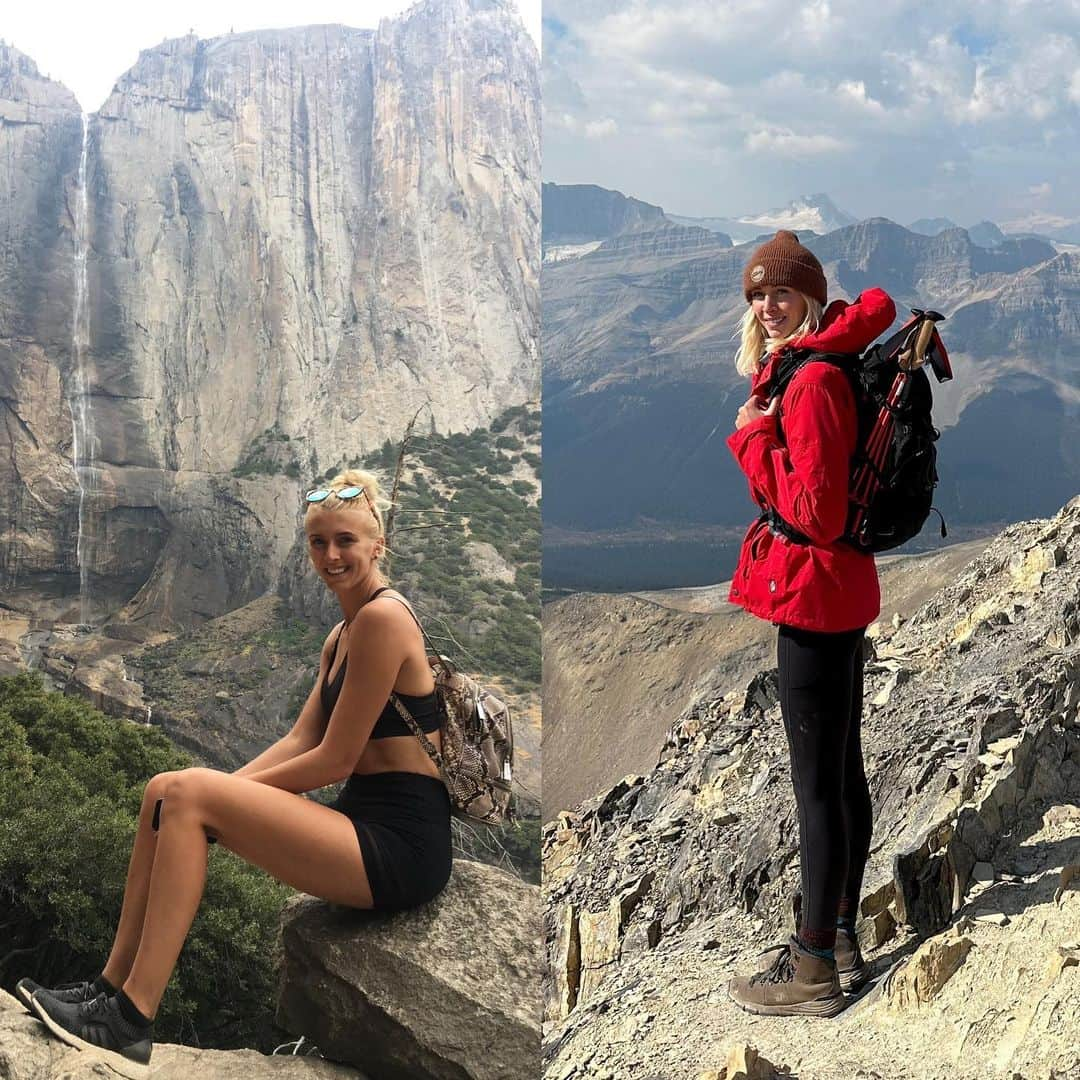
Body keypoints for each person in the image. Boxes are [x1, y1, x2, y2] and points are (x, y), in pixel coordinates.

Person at [17, 468, 452, 1079]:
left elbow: (334, 760)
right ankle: (107, 987)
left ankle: (133, 1019)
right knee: (164, 790)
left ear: (378, 545)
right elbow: (302, 735)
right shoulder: (342, 633)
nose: (331, 555)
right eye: (319, 541)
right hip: (361, 826)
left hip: (401, 848)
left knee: (189, 796)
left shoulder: (384, 619)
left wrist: (217, 802)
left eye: (346, 541)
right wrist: (210, 793)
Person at [722, 230, 896, 1018]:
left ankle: (813, 966)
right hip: (836, 595)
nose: (767, 305)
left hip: (815, 597)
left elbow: (817, 514)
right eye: (758, 294)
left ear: (811, 296)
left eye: (781, 291)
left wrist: (755, 436)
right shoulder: (807, 366)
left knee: (816, 790)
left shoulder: (813, 381)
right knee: (840, 775)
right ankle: (840, 936)